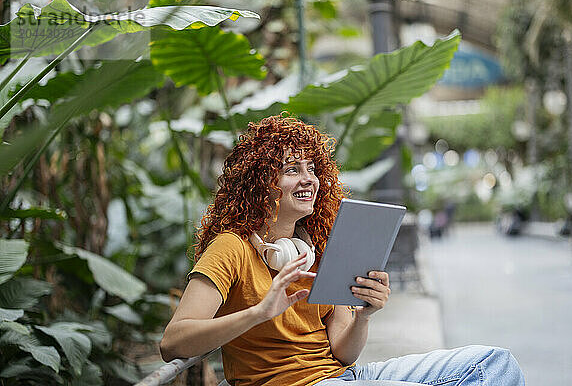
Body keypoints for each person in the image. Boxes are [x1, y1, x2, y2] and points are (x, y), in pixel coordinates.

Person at [159, 115, 526, 386]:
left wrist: (365, 314)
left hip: (346, 377)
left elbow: (343, 352)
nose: (308, 179)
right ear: (260, 182)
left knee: (494, 365)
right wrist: (258, 312)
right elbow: (173, 342)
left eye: (312, 168)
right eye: (292, 169)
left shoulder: (317, 247)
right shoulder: (231, 248)